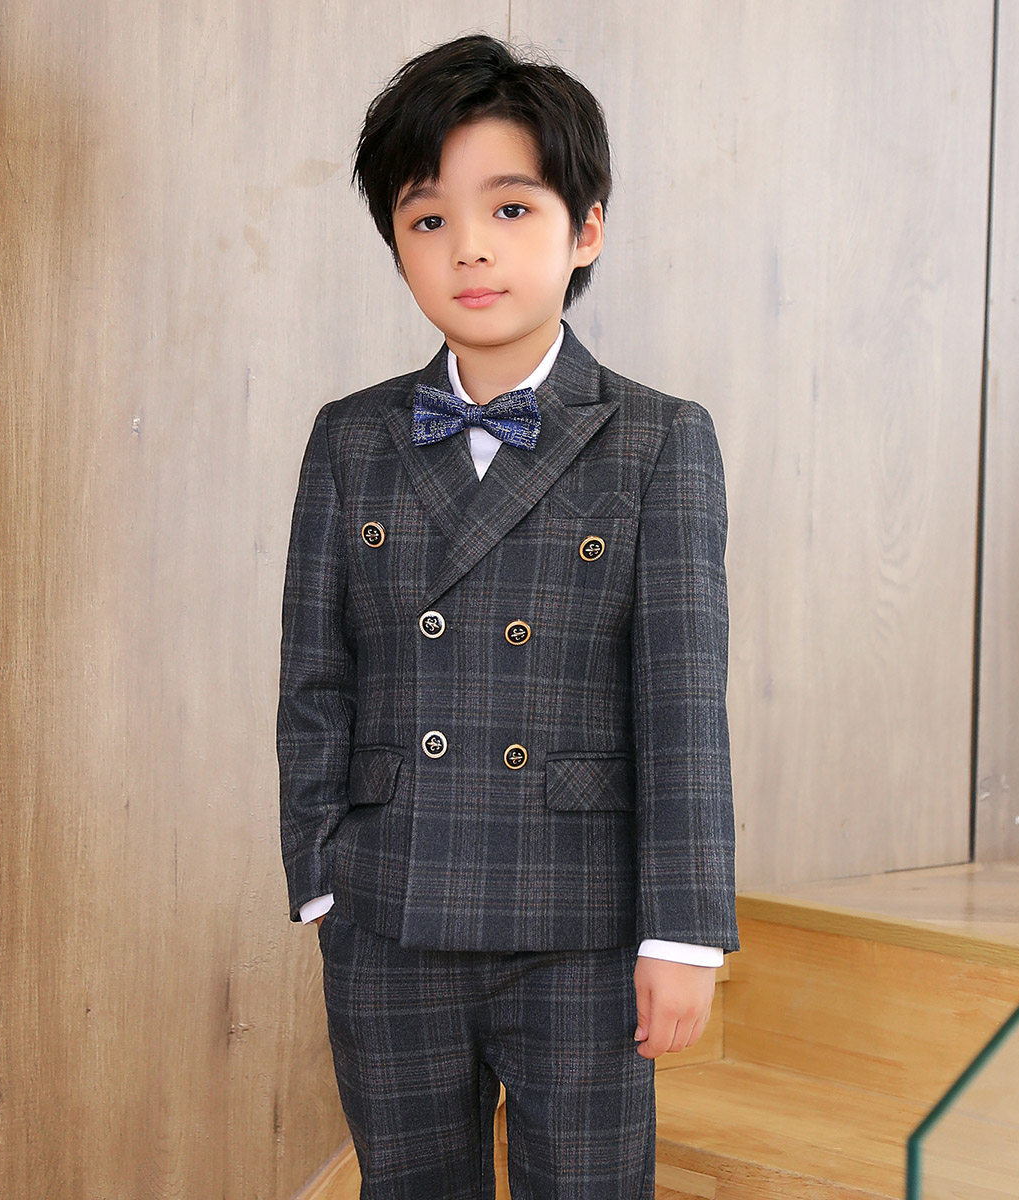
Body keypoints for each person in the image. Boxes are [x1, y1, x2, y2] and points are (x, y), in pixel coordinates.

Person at [277, 32, 738, 1199]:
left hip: (579, 922)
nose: (469, 246)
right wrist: (322, 875)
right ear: (396, 242)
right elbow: (315, 675)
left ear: (587, 228)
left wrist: (684, 932)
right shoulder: (351, 436)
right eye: (429, 218)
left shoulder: (658, 439)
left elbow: (682, 704)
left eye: (512, 208)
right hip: (390, 909)